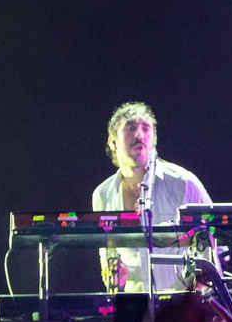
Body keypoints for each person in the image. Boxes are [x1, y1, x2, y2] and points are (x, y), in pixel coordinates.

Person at [90, 102, 212, 293]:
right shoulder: (102, 194)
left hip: (184, 305)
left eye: (146, 128)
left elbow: (213, 245)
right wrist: (115, 273)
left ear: (154, 140)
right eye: (131, 127)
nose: (139, 134)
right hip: (135, 307)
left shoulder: (183, 182)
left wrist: (187, 295)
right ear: (113, 141)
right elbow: (108, 257)